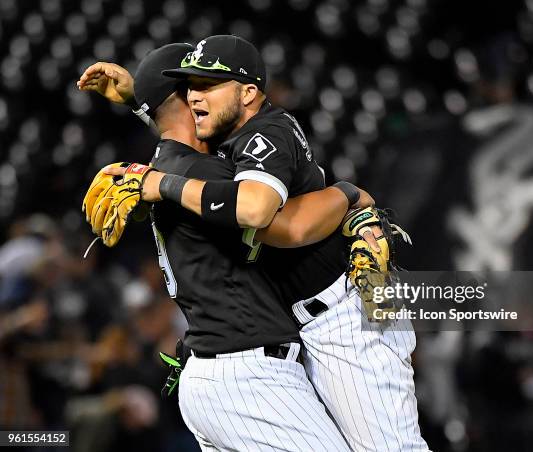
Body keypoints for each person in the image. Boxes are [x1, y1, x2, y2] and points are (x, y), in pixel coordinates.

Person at [81, 35, 430, 451]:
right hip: (282, 344)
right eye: (189, 86)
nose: (195, 96)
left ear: (248, 92)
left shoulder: (263, 133)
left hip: (344, 314)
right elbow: (191, 149)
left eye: (206, 85)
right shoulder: (216, 153)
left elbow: (265, 215)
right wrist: (143, 100)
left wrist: (350, 194)